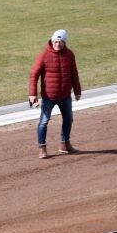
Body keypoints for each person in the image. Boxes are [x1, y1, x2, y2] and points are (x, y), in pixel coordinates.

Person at [28, 28, 82, 159]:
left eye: (60, 42)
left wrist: (77, 90)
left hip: (65, 96)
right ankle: (42, 148)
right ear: (52, 41)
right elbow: (34, 75)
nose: (58, 44)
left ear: (64, 43)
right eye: (56, 41)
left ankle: (65, 144)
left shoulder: (69, 55)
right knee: (44, 122)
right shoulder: (44, 55)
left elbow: (74, 74)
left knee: (68, 119)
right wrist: (32, 94)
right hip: (49, 96)